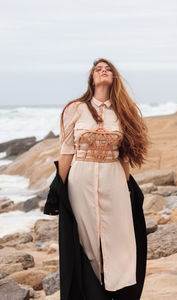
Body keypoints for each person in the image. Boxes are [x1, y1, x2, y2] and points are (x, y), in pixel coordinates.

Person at [58, 58, 150, 299]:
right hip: (81, 179)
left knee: (121, 239)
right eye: (98, 69)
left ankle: (119, 290)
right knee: (87, 242)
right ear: (92, 77)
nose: (103, 71)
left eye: (108, 69)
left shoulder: (123, 112)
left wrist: (129, 187)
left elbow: (125, 157)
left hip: (114, 178)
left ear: (114, 77)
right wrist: (58, 189)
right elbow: (67, 150)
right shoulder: (74, 109)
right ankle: (93, 292)